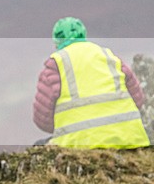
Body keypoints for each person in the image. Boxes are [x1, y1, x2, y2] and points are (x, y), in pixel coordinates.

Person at [33, 17, 150, 149]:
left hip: (78, 144)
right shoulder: (109, 56)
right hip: (129, 140)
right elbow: (138, 100)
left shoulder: (55, 65)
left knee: (39, 147)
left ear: (56, 42)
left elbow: (42, 119)